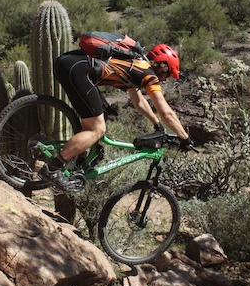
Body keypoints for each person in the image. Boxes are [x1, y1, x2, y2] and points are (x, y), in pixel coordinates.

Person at [38, 41, 195, 191]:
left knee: (101, 115)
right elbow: (166, 112)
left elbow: (138, 101)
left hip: (70, 63)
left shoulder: (137, 65)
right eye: (166, 76)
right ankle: (52, 169)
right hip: (78, 70)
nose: (164, 80)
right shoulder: (149, 75)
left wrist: (156, 123)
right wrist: (184, 137)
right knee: (97, 129)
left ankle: (77, 160)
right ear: (163, 67)